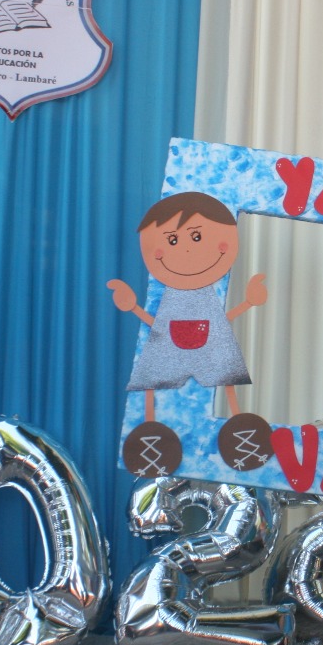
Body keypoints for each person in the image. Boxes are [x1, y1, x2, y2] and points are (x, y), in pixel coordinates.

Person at [109, 191, 273, 476]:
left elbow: (219, 321)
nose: (186, 250)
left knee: (225, 378)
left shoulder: (206, 296)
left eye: (196, 237)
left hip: (207, 341)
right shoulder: (172, 297)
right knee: (152, 381)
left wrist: (249, 302)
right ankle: (151, 433)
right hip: (169, 345)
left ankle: (240, 431)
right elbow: (159, 326)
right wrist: (133, 306)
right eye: (172, 240)